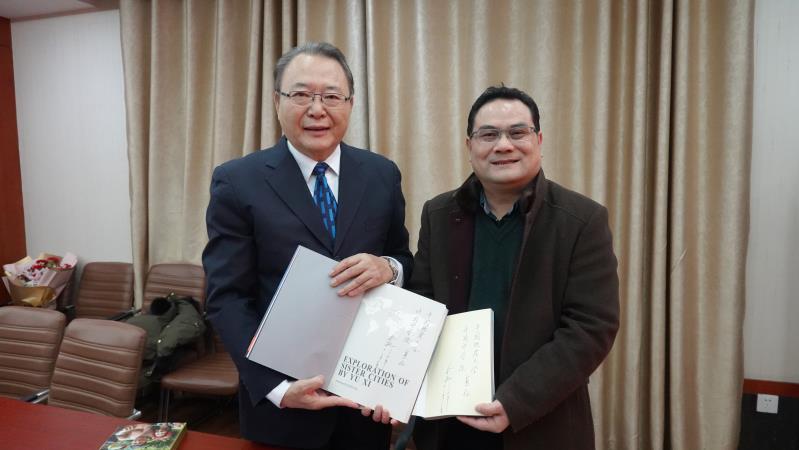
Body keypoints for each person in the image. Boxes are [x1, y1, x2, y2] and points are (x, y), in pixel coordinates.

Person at [202, 42, 413, 449]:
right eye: (301, 94)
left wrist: (388, 267)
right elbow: (227, 297)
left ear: (350, 104)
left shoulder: (382, 174)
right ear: (277, 102)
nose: (317, 109)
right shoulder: (237, 181)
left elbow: (403, 258)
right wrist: (277, 389)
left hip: (363, 402)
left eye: (331, 96)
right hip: (282, 409)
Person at [409, 85, 619, 450]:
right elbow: (421, 308)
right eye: (488, 135)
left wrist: (515, 401)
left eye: (517, 132)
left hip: (540, 422)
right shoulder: (438, 214)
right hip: (450, 424)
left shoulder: (582, 220)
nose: (503, 145)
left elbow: (591, 328)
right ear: (469, 146)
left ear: (539, 140)